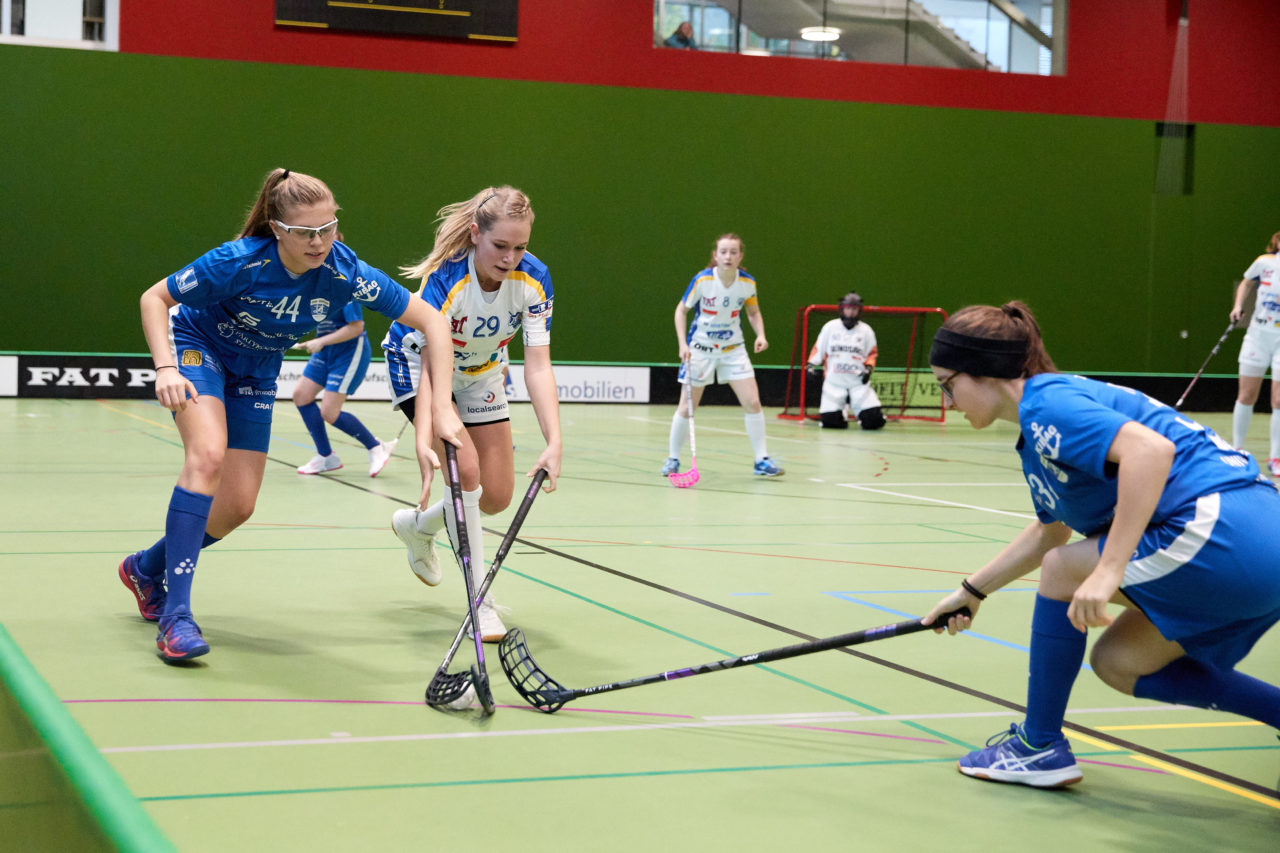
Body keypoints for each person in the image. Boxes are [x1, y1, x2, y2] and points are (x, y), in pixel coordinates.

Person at [922, 301, 1280, 789]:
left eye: (948, 385)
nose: (947, 401)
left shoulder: (1047, 403)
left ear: (982, 370)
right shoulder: (1042, 428)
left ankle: (1038, 744)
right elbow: (1051, 529)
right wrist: (972, 591)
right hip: (1254, 540)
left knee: (1062, 569)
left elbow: (1150, 452)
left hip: (1224, 529)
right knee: (1121, 662)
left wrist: (1110, 568)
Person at [121, 168, 461, 662]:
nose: (320, 241)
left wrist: (443, 410)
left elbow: (430, 319)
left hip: (256, 372)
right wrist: (166, 367)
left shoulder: (344, 271)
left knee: (238, 505)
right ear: (278, 228)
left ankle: (145, 568)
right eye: (306, 232)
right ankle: (175, 617)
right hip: (200, 351)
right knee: (208, 455)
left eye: (328, 227)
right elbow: (155, 297)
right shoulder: (237, 263)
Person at [384, 186, 561, 642]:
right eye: (500, 246)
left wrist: (554, 441)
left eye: (520, 247)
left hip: (482, 375)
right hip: (419, 366)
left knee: (496, 496)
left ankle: (418, 528)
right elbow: (430, 369)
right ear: (474, 233)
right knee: (465, 470)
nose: (510, 258)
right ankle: (479, 602)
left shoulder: (535, 280)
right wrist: (426, 438)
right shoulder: (446, 281)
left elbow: (538, 366)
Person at [662, 233, 783, 478]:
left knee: (753, 402)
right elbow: (681, 310)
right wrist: (682, 344)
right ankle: (673, 459)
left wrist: (760, 334)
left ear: (740, 256)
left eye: (733, 252)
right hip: (700, 349)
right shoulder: (702, 280)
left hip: (733, 350)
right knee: (686, 408)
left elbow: (753, 312)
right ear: (715, 255)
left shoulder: (747, 283)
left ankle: (761, 460)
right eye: (723, 252)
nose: (728, 256)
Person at [292, 296, 398, 477]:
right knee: (301, 395)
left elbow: (356, 327)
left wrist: (321, 341)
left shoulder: (344, 287)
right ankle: (325, 456)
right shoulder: (313, 286)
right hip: (325, 351)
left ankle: (375, 447)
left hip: (348, 354)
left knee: (329, 412)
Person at [1228, 231, 1280, 475]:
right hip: (1258, 335)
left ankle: (1276, 457)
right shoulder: (1264, 263)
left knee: (1278, 400)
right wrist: (1238, 306)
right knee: (1247, 395)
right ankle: (1237, 449)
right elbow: (1247, 282)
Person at [806, 292, 885, 430]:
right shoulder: (830, 327)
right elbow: (818, 348)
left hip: (858, 383)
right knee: (831, 423)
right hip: (834, 383)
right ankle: (841, 412)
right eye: (848, 308)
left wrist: (868, 369)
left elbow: (872, 354)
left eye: (854, 309)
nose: (850, 312)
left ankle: (862, 413)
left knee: (873, 421)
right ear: (842, 309)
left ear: (859, 310)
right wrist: (811, 365)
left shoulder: (866, 331)